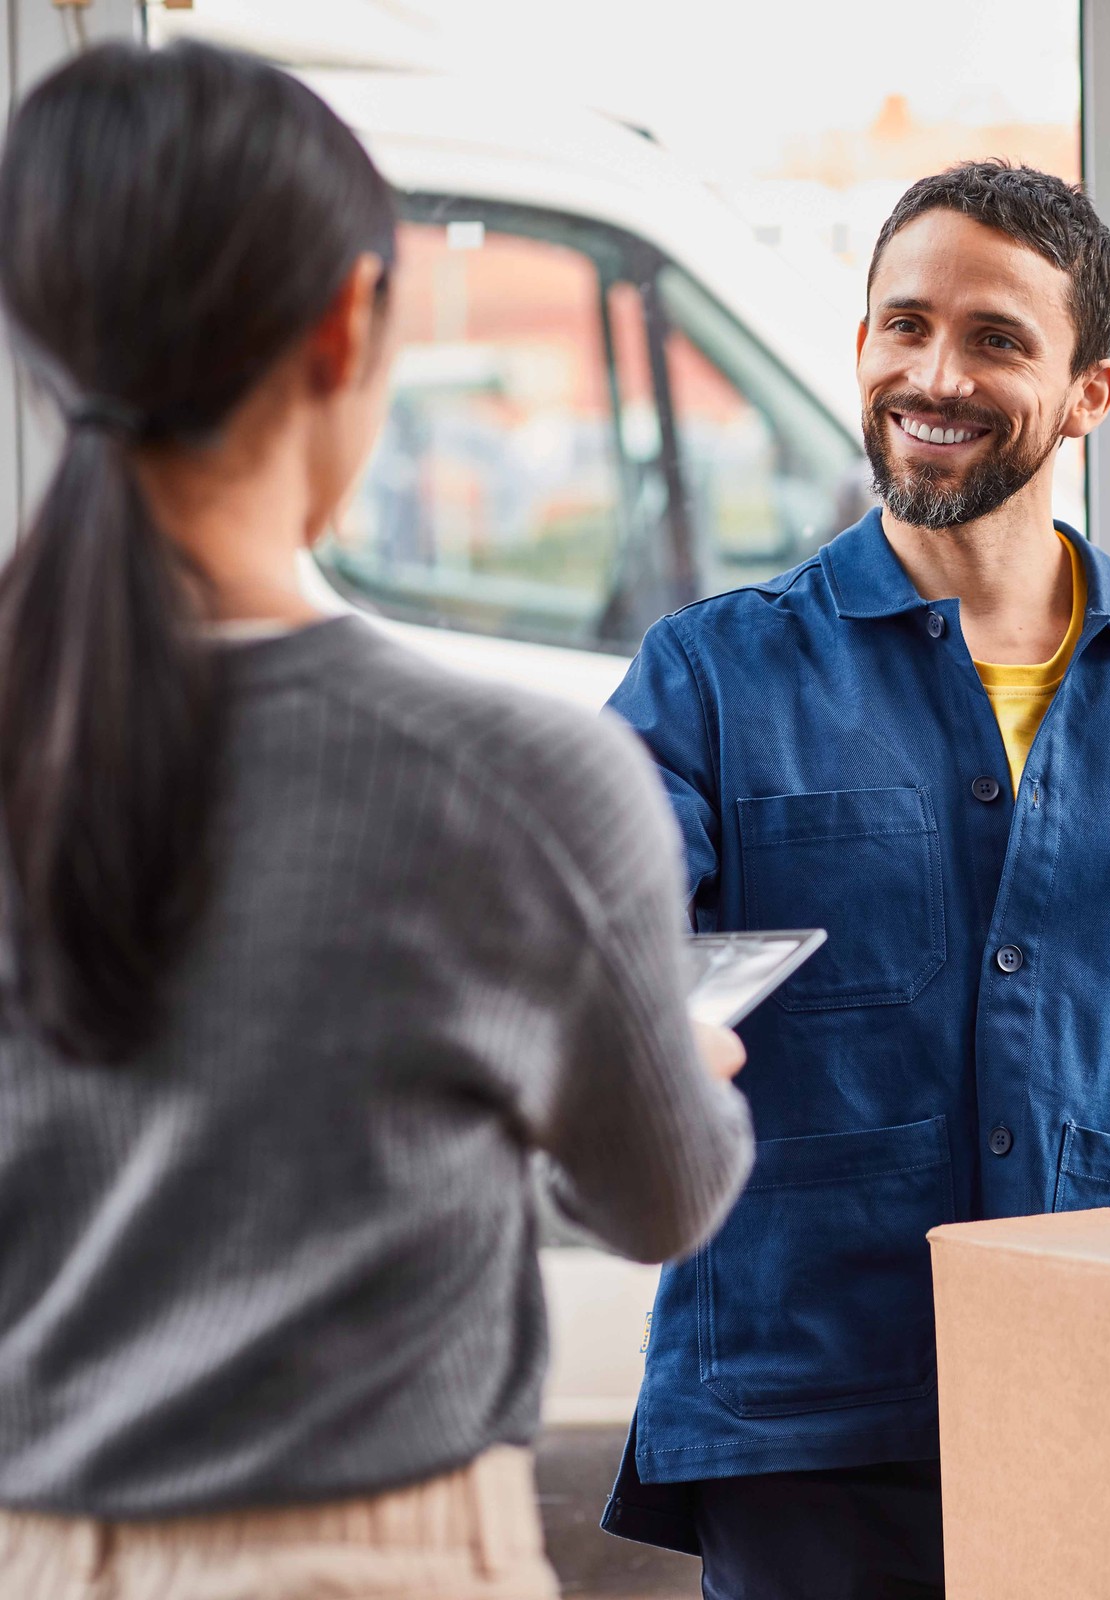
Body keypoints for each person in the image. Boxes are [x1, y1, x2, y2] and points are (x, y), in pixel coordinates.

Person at [0, 40, 752, 1600]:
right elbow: (663, 1197)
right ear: (349, 328)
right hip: (373, 1560)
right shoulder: (523, 780)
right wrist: (680, 1066)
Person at [600, 161, 1110, 1597]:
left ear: (1086, 394)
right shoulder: (710, 677)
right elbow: (593, 955)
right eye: (902, 324)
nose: (935, 373)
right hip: (811, 1411)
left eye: (996, 339)